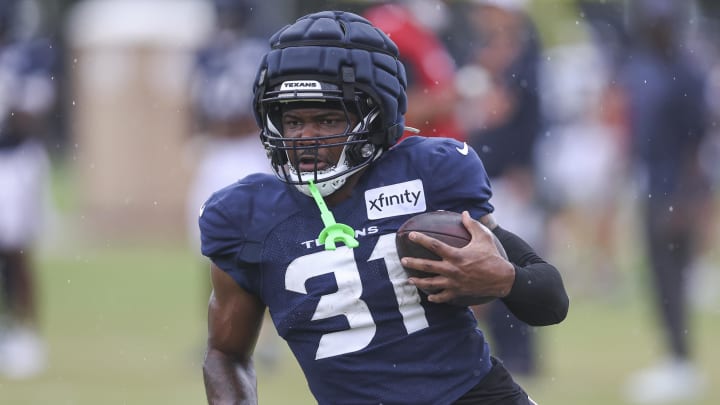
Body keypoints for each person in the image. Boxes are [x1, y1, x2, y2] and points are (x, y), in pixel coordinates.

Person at [199, 11, 568, 404]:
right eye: (292, 120)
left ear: (374, 116)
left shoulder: (429, 174)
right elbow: (225, 353)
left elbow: (550, 301)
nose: (305, 138)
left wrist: (506, 279)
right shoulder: (247, 215)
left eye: (326, 119)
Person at [618, 0, 711, 403]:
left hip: (675, 190)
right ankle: (673, 358)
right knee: (657, 277)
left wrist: (688, 200)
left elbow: (696, 141)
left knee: (674, 277)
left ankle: (682, 361)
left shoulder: (686, 71)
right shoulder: (642, 64)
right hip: (651, 185)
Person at [454, 0, 545, 377]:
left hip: (510, 177)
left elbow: (522, 118)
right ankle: (502, 353)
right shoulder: (480, 54)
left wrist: (526, 166)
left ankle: (520, 355)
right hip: (485, 175)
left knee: (509, 262)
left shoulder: (525, 59)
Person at [0, 0, 56, 379]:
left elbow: (33, 113)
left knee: (15, 250)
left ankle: (27, 334)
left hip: (15, 161)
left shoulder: (26, 56)